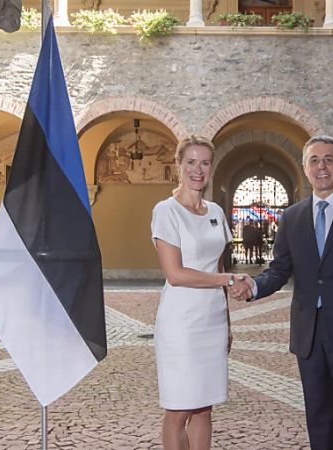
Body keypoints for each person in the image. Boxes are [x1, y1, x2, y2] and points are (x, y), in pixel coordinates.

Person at [231, 135, 333, 450]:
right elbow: (279, 270)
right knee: (318, 419)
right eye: (314, 160)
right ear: (305, 168)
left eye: (329, 159)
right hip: (309, 338)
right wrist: (253, 286)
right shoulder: (292, 217)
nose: (322, 167)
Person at [151, 136, 237, 450]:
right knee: (179, 409)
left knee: (204, 406)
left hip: (212, 321)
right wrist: (227, 279)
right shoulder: (166, 211)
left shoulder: (215, 211)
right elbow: (175, 274)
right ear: (179, 165)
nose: (197, 170)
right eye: (191, 162)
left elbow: (217, 265)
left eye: (204, 163)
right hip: (182, 323)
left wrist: (227, 322)